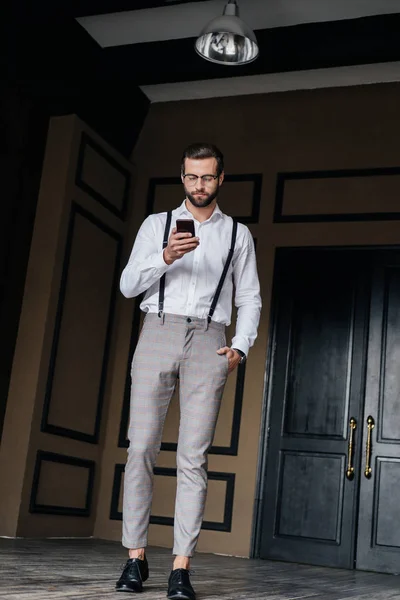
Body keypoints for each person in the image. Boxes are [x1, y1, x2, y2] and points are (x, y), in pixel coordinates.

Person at [116, 142, 261, 600]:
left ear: (222, 179)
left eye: (208, 177)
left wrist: (239, 346)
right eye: (192, 177)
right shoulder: (155, 226)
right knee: (141, 447)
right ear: (182, 177)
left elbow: (249, 298)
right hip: (156, 331)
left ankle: (181, 567)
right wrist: (165, 257)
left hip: (209, 340)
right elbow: (126, 286)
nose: (200, 185)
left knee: (192, 458)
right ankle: (135, 557)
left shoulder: (237, 234)